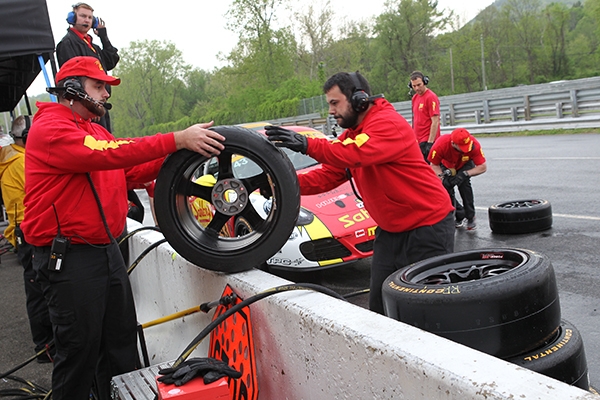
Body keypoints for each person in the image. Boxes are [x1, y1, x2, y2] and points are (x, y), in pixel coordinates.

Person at [21, 56, 225, 400]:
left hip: (106, 251)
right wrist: (176, 139)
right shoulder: (51, 128)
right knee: (79, 352)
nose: (105, 94)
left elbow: (127, 168)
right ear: (71, 89)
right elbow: (109, 154)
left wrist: (183, 153)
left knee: (120, 344)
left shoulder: (95, 130)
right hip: (70, 258)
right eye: (98, 86)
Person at [265, 71, 454, 315]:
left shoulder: (387, 123)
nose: (331, 111)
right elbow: (328, 175)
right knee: (380, 306)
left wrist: (306, 144)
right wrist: (277, 182)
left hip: (428, 227)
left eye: (335, 103)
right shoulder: (353, 134)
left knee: (428, 309)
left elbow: (354, 153)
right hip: (391, 231)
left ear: (359, 100)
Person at [0, 116, 54, 363]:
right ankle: (46, 348)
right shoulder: (21, 162)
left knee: (37, 289)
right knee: (39, 291)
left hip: (22, 230)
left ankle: (46, 344)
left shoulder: (13, 158)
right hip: (29, 230)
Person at [56, 2, 119, 132]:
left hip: (99, 103)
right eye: (83, 16)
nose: (87, 20)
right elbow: (72, 78)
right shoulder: (67, 43)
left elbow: (111, 61)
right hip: (87, 107)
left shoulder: (93, 47)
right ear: (73, 18)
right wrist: (89, 105)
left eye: (90, 17)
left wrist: (103, 36)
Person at [428, 128, 487, 231]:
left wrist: (465, 174)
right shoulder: (441, 144)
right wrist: (441, 177)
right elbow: (434, 165)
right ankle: (459, 214)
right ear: (453, 144)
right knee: (446, 188)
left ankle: (470, 216)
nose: (466, 149)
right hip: (447, 165)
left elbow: (482, 167)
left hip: (465, 165)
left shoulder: (474, 145)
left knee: (464, 186)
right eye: (462, 147)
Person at [410, 71, 440, 161]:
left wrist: (430, 143)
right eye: (414, 86)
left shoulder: (431, 97)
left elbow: (435, 121)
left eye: (419, 85)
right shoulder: (415, 98)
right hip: (418, 140)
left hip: (427, 140)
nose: (417, 88)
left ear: (424, 82)